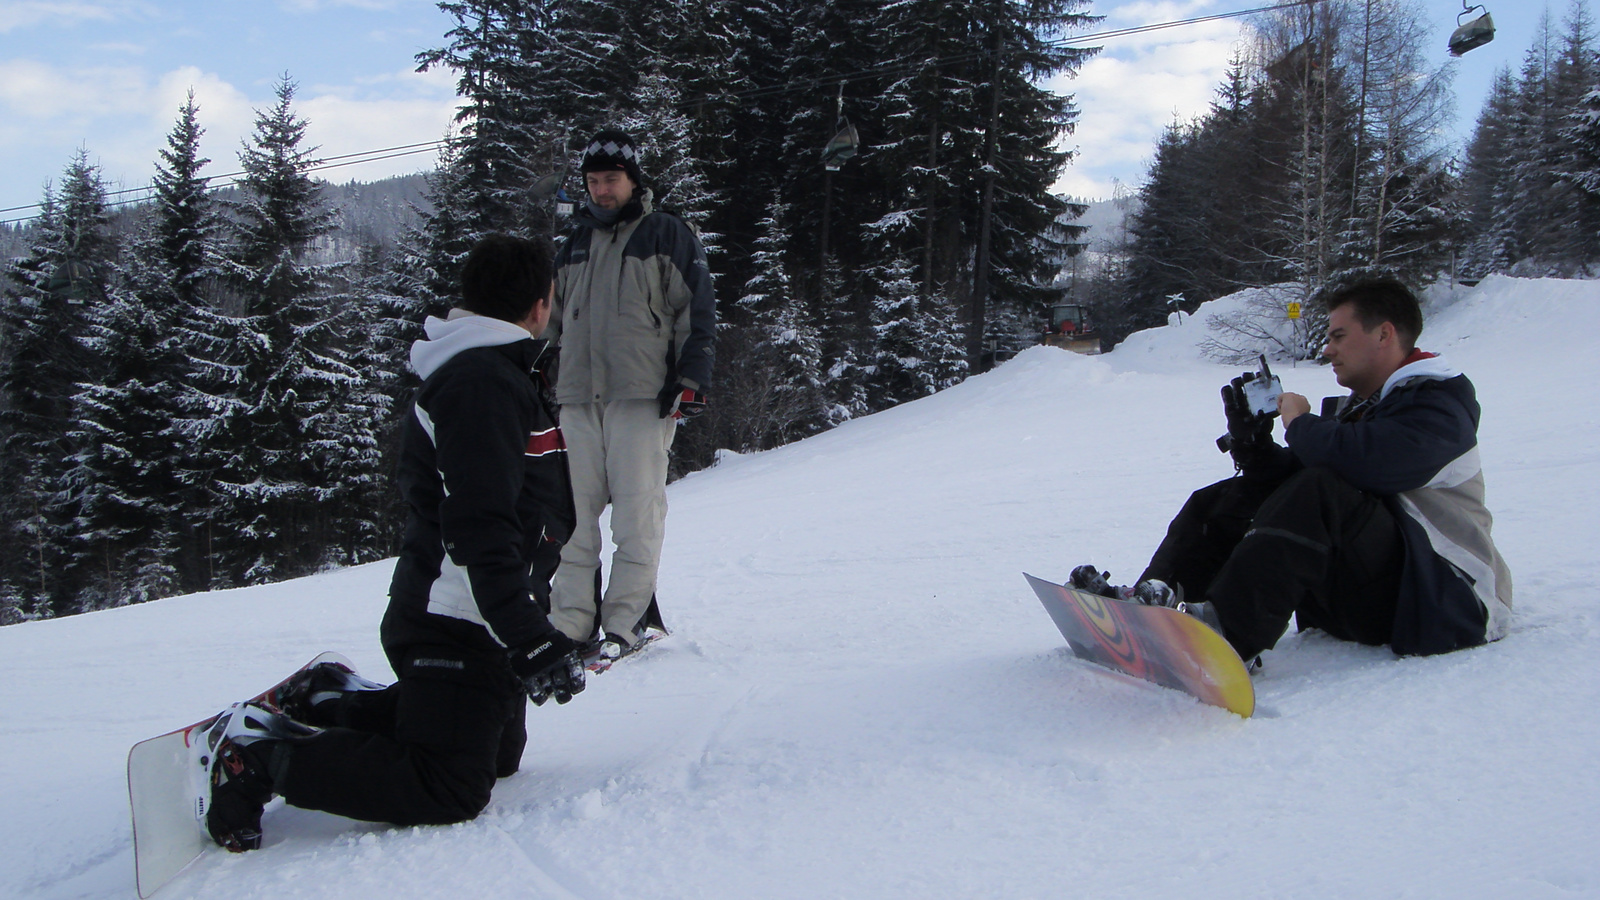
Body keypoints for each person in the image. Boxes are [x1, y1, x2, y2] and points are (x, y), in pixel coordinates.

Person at [200, 233, 589, 852]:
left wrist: (534, 627)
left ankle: (331, 702)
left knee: (498, 757)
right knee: (451, 784)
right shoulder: (481, 384)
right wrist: (529, 636)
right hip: (452, 617)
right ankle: (256, 754)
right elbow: (480, 528)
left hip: (478, 612)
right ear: (541, 306)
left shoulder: (500, 373)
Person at [1072, 276, 1512, 663]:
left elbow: (1375, 465)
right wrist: (1253, 443)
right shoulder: (1366, 409)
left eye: (1339, 336)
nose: (1328, 349)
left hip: (1446, 599)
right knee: (1226, 496)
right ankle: (1153, 605)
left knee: (1322, 488)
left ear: (1384, 334)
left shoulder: (1439, 400)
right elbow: (1290, 488)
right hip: (1375, 593)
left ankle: (1221, 637)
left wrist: (1301, 424)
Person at [542, 129, 716, 662]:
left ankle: (627, 621)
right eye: (593, 181)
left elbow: (697, 312)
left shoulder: (666, 234)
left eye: (610, 179)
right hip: (575, 397)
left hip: (642, 396)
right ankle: (569, 624)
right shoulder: (571, 245)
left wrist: (691, 377)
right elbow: (547, 323)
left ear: (633, 180)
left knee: (637, 515)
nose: (601, 190)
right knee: (572, 517)